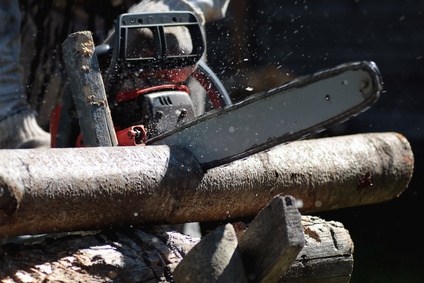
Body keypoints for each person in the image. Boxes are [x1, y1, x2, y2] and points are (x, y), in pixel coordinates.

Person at [0, 0, 230, 149]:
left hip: (146, 10)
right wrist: (13, 124)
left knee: (185, 36)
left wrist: (171, 6)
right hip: (50, 24)